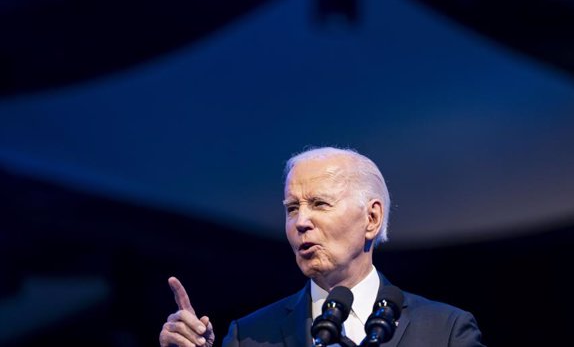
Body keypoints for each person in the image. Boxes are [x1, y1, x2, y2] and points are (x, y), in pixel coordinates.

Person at [159, 146, 485, 347]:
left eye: (319, 204)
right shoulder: (251, 335)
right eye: (291, 208)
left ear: (371, 218)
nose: (301, 221)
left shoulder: (446, 331)